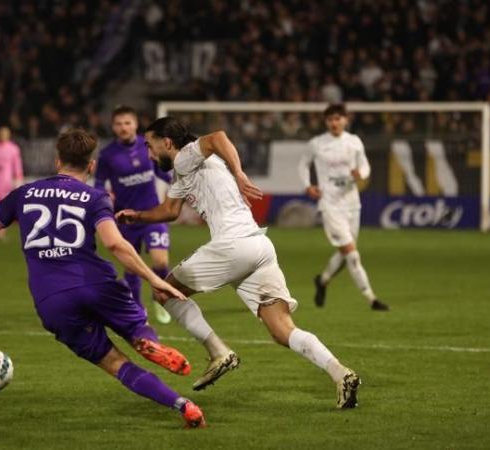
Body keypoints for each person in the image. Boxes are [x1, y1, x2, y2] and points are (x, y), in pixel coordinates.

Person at [0, 128, 206, 428]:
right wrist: (153, 279)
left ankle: (183, 405)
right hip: (96, 283)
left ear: (57, 162)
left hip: (52, 299)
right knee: (136, 327)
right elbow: (115, 244)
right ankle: (144, 339)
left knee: (118, 365)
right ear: (91, 166)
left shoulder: (24, 194)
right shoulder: (95, 197)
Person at [117, 117, 361, 409]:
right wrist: (139, 216)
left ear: (166, 142)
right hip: (259, 245)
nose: (149, 153)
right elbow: (169, 211)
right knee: (283, 330)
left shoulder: (186, 157)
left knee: (163, 290)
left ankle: (218, 351)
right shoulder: (185, 171)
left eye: (150, 145)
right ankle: (341, 373)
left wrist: (241, 174)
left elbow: (218, 136)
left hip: (232, 245)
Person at [299, 104, 389, 311]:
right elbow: (303, 164)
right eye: (330, 119)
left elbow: (365, 165)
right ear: (326, 122)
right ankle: (371, 299)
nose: (334, 122)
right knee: (352, 255)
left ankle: (322, 280)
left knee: (345, 253)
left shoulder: (354, 142)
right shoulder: (317, 144)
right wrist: (307, 185)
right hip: (330, 205)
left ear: (345, 120)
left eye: (338, 118)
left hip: (352, 204)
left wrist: (361, 174)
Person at [95, 106, 172, 325]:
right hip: (126, 218)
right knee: (131, 267)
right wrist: (103, 196)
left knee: (160, 259)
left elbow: (159, 172)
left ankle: (160, 297)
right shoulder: (107, 154)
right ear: (113, 127)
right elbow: (100, 183)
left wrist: (181, 187)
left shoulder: (147, 146)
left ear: (135, 124)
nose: (123, 128)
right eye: (119, 124)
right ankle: (139, 310)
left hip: (152, 214)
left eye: (127, 123)